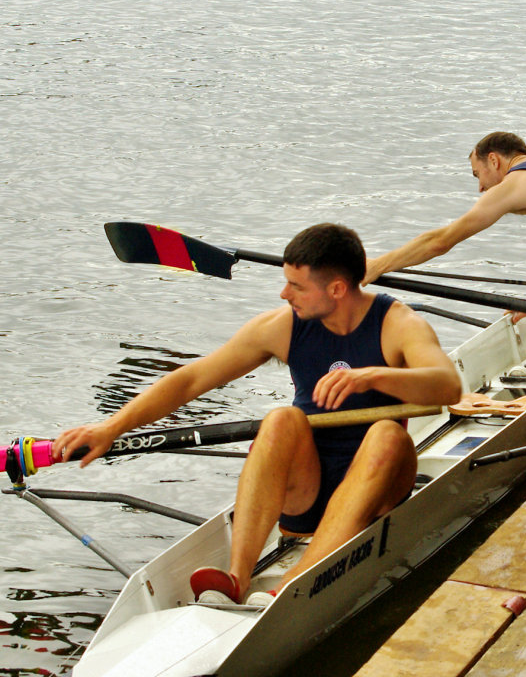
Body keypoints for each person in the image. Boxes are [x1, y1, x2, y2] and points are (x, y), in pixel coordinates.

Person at [53, 223, 461, 607]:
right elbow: (191, 380)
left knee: (389, 434)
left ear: (337, 289)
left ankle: (294, 582)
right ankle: (237, 577)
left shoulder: (398, 324)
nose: (285, 294)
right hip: (309, 490)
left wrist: (372, 376)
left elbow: (448, 385)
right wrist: (111, 426)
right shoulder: (283, 326)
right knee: (281, 418)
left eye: (296, 286)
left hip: (378, 488)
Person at [363, 131, 526, 323]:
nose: (480, 188)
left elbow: (439, 242)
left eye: (477, 174)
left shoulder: (511, 186)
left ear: (493, 160)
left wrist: (377, 265)